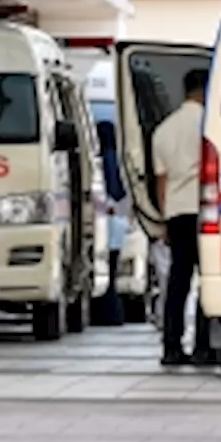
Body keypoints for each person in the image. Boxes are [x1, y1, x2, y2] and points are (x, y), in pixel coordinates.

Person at [152, 67, 212, 367]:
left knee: (178, 283)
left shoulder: (164, 129)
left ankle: (171, 347)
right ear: (204, 90)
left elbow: (161, 180)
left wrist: (164, 218)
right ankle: (204, 347)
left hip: (176, 212)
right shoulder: (210, 124)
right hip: (205, 210)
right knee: (209, 281)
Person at [92, 120, 127, 327]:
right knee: (112, 272)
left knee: (106, 270)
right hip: (118, 223)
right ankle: (112, 313)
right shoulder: (117, 158)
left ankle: (105, 313)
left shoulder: (104, 159)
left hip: (106, 222)